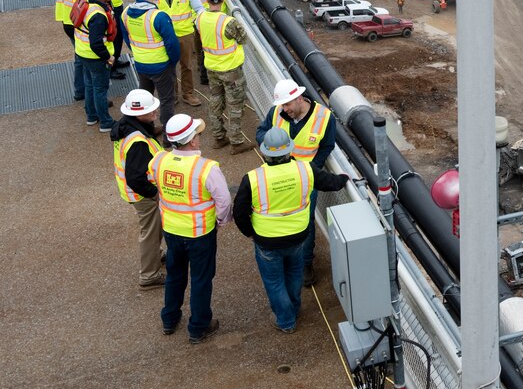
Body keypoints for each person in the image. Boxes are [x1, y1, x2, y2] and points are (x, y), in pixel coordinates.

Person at [234, 127, 349, 332]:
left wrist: (250, 233)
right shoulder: (305, 169)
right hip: (298, 237)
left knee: (274, 280)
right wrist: (344, 179)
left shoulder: (252, 178)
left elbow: (240, 213)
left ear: (265, 152)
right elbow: (330, 183)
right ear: (289, 150)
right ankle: (294, 308)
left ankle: (286, 321)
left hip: (267, 240)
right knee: (295, 272)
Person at [149, 114, 232, 343]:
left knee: (175, 276)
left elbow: (152, 180)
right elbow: (223, 202)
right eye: (197, 134)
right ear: (192, 141)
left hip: (172, 231)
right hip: (200, 234)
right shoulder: (207, 168)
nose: (199, 137)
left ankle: (169, 319)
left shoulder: (158, 160)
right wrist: (222, 221)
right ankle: (198, 327)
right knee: (201, 279)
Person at [256, 79, 337, 287]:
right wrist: (271, 143)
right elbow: (261, 132)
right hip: (277, 175)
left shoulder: (324, 117)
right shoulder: (276, 113)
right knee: (280, 216)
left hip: (305, 181)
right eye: (282, 105)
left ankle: (305, 263)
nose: (285, 110)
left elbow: (326, 146)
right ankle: (286, 257)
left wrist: (312, 170)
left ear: (299, 98)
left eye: (288, 105)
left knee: (306, 222)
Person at [111, 89, 165, 289]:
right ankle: (149, 275)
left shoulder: (126, 127)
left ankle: (155, 256)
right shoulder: (138, 142)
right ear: (137, 114)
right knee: (150, 232)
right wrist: (155, 194)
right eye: (150, 111)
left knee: (154, 228)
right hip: (143, 195)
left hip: (135, 193)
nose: (155, 113)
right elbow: (136, 178)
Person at [123, 0, 180, 130]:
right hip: (161, 65)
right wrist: (173, 61)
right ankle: (170, 137)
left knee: (144, 101)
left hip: (141, 64)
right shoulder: (159, 16)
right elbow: (172, 44)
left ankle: (147, 131)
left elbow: (127, 38)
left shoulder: (126, 13)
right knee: (166, 100)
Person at [198, 0, 249, 153]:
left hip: (211, 67)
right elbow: (243, 39)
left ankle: (219, 137)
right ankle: (236, 142)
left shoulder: (199, 18)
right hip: (231, 70)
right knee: (235, 105)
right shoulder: (228, 22)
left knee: (215, 101)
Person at [76, 0, 123, 133]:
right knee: (100, 88)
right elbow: (96, 42)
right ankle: (105, 122)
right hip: (95, 57)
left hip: (82, 53)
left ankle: (91, 116)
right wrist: (108, 57)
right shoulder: (99, 15)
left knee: (90, 84)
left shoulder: (87, 2)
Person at [155, 0, 204, 106]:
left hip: (184, 34)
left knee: (186, 66)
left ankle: (188, 94)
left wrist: (196, 24)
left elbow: (199, 9)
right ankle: (172, 95)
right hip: (164, 36)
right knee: (168, 66)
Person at [55, 0, 95, 101]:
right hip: (78, 24)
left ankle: (80, 91)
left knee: (79, 57)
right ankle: (84, 91)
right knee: (84, 59)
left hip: (67, 21)